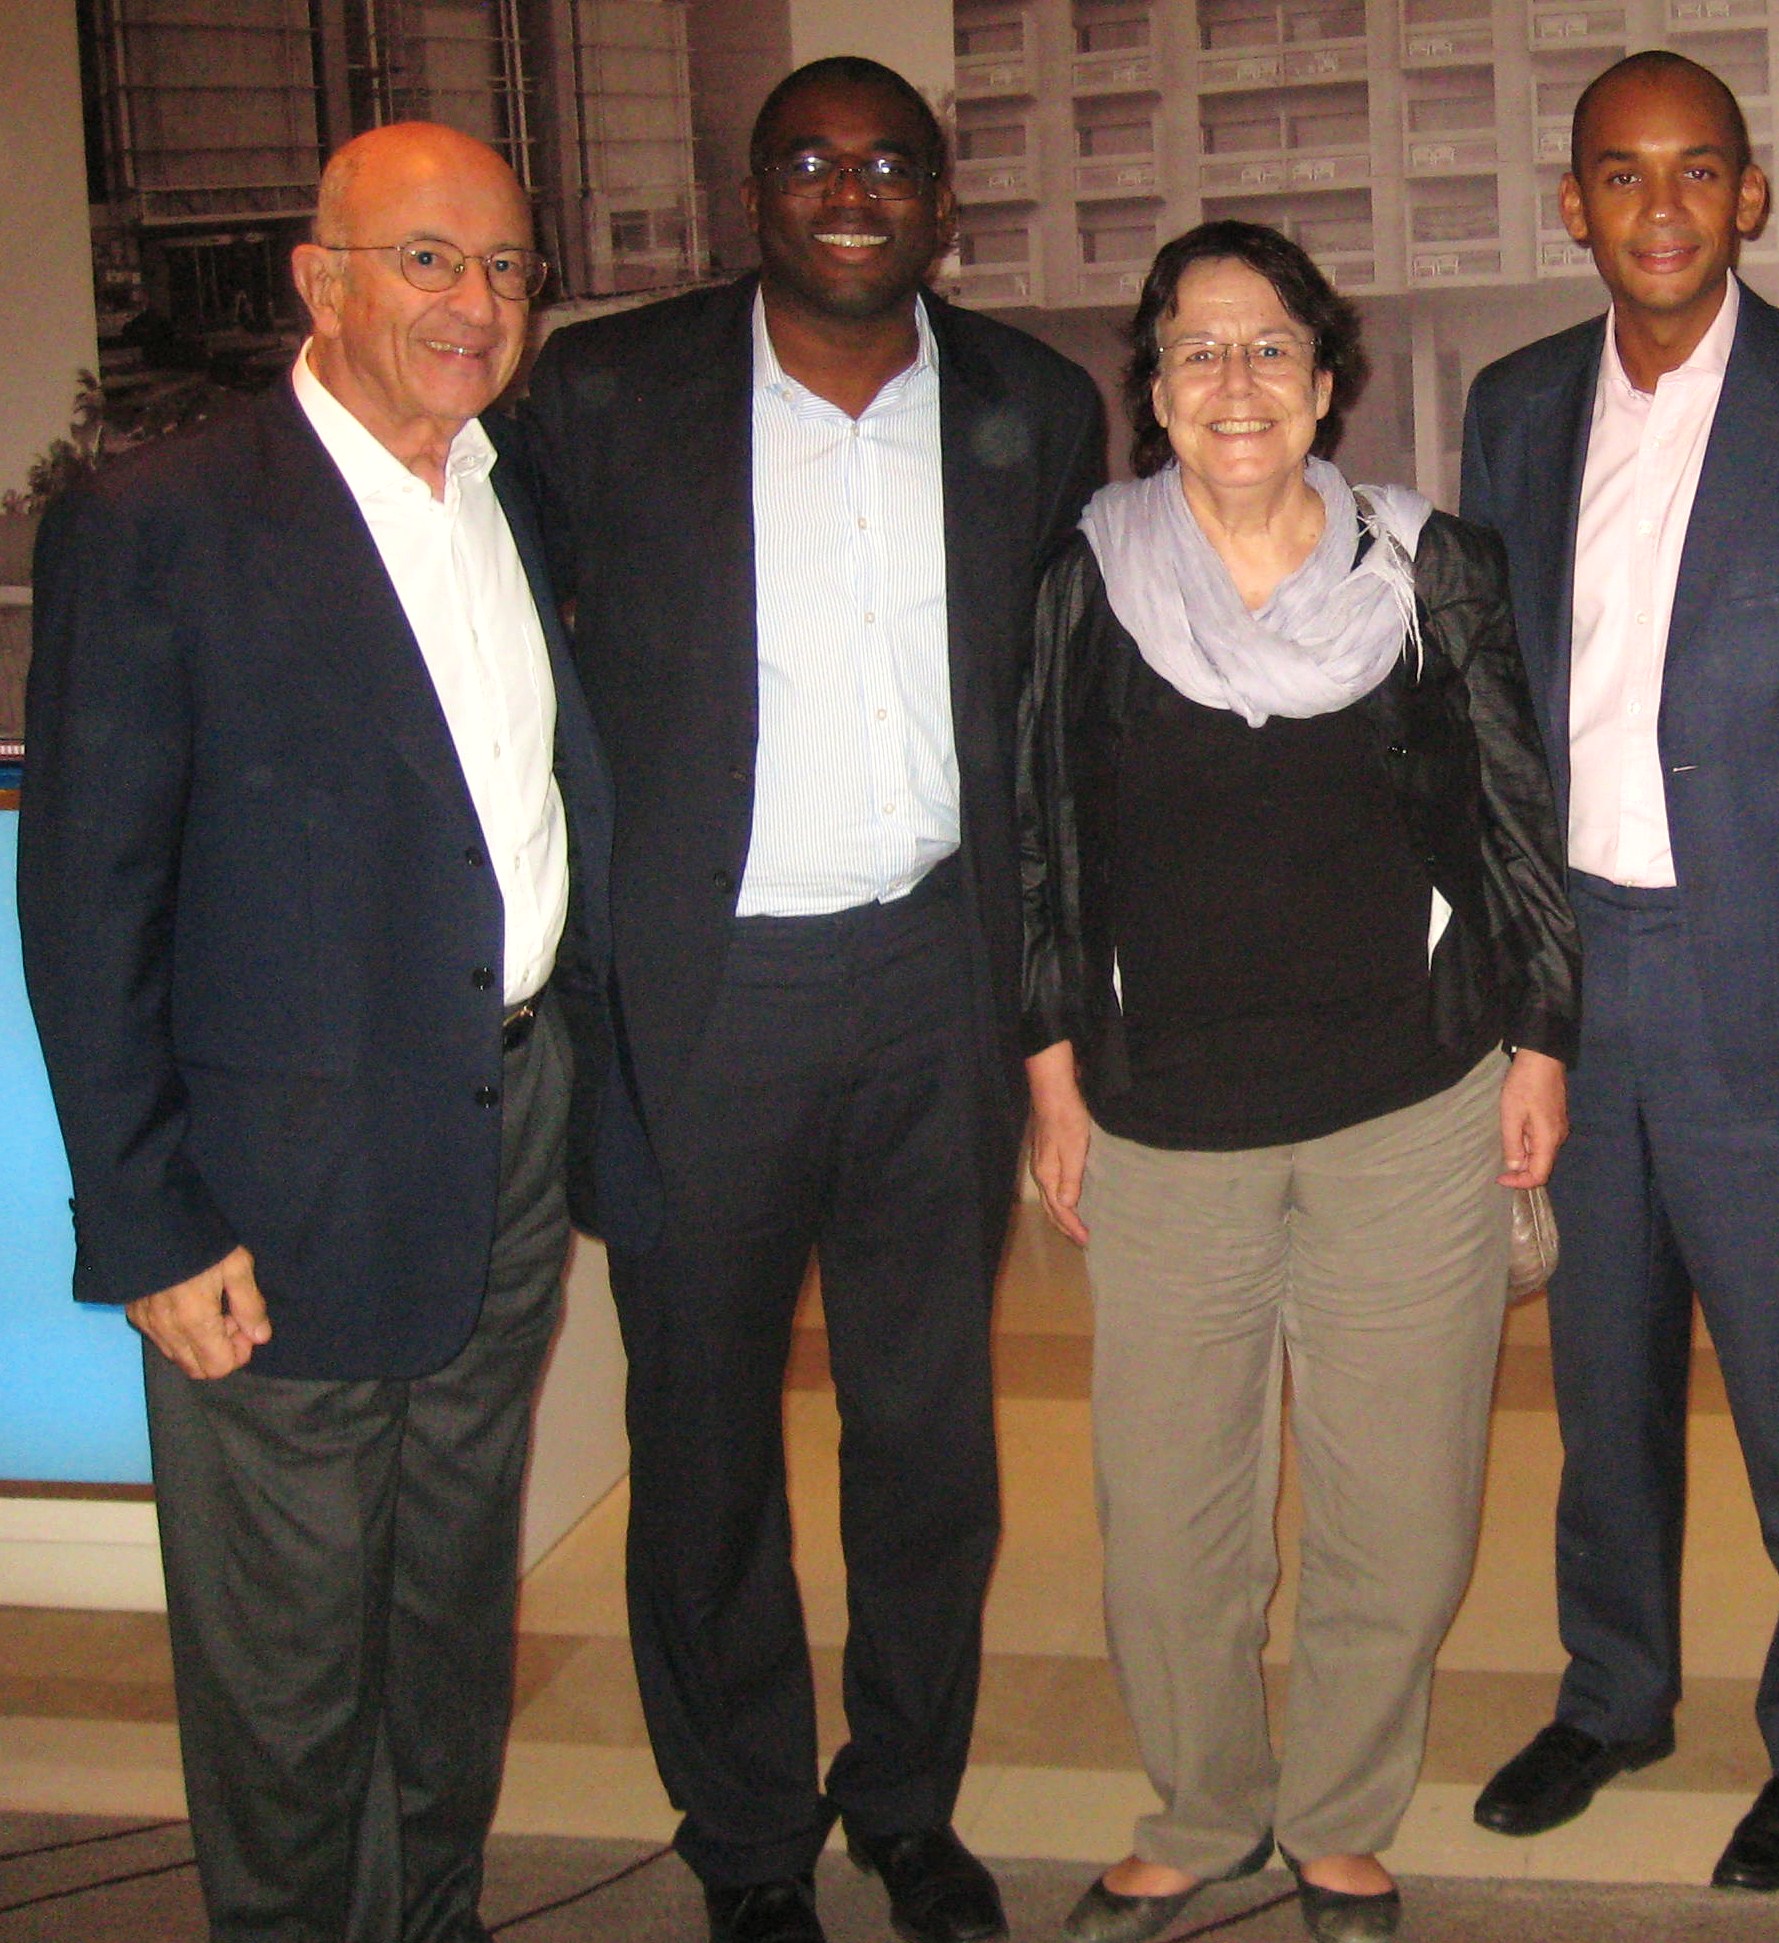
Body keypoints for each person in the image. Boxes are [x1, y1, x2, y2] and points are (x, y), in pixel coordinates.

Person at [510, 56, 1105, 1943]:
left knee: (928, 1429)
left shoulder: (1035, 403)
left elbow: (1065, 720)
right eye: (810, 161)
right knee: (698, 1440)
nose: (851, 191)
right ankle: (749, 1832)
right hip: (706, 996)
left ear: (944, 201)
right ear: (751, 193)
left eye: (889, 165)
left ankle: (905, 1797)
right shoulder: (603, 392)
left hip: (938, 977)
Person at [18, 123, 608, 1940]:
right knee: (286, 1666)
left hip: (503, 1142)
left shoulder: (509, 495)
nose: (474, 301)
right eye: (429, 258)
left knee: (442, 1622)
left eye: (505, 267)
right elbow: (86, 903)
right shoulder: (163, 518)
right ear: (322, 276)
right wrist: (146, 1219)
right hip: (271, 1197)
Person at [1458, 49, 1779, 1893]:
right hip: (1575, 982)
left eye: (1698, 172)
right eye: (1623, 173)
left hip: (1774, 995)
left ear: (1751, 196)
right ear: (1574, 202)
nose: (1662, 204)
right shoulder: (1513, 409)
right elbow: (1495, 722)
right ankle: (1612, 1693)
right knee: (1600, 1388)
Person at [1021, 219, 1576, 1943]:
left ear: (1326, 385)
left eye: (1271, 347)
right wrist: (1049, 1075)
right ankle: (1198, 1810)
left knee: (1397, 1501)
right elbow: (1040, 847)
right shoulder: (1085, 575)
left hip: (1407, 1103)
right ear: (1156, 392)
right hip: (1164, 1120)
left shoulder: (1430, 567)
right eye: (1198, 348)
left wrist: (1540, 1034)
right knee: (1169, 1517)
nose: (1236, 378)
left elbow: (1512, 820)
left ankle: (1337, 1811)